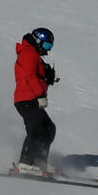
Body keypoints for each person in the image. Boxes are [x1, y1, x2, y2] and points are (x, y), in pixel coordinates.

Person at [13, 27, 57, 173]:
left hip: (31, 98)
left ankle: (39, 161)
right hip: (26, 99)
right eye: (46, 45)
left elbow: (36, 78)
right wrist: (40, 95)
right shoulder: (29, 54)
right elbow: (29, 77)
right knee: (36, 128)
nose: (47, 50)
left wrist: (47, 79)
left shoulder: (34, 56)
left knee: (48, 128)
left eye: (50, 46)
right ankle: (25, 162)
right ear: (38, 41)